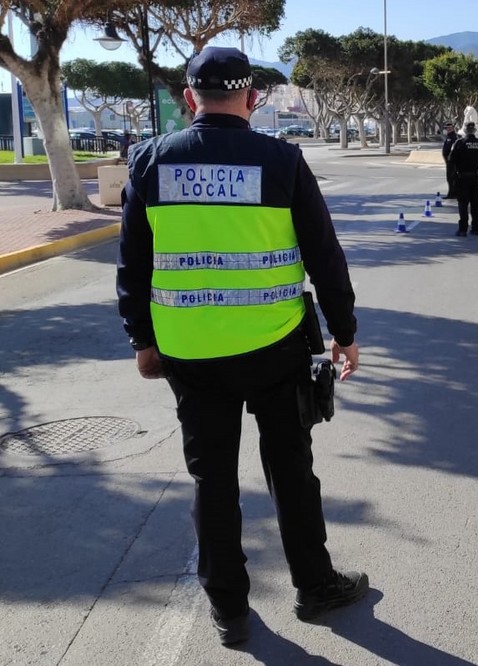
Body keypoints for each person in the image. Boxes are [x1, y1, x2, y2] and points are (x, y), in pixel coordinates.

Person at [115, 46, 367, 647]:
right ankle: (315, 586)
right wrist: (345, 333)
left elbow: (133, 267)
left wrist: (142, 341)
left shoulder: (150, 161)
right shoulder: (281, 160)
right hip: (274, 348)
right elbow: (324, 256)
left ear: (188, 97)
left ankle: (229, 612)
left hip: (189, 354)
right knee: (291, 470)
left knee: (214, 482)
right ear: (252, 98)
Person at [447, 121, 478, 236]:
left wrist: (453, 176)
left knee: (463, 204)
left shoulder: (459, 143)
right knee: (475, 204)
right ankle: (476, 228)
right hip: (475, 178)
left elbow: (451, 160)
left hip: (462, 177)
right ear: (475, 131)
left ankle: (463, 229)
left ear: (465, 130)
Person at [441, 122, 458, 198]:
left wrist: (450, 158)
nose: (448, 129)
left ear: (453, 128)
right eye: (447, 128)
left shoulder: (454, 137)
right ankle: (452, 193)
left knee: (451, 178)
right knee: (450, 178)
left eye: (449, 128)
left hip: (452, 161)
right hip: (448, 161)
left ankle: (452, 194)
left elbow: (453, 149)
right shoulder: (449, 136)